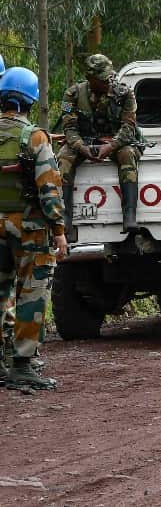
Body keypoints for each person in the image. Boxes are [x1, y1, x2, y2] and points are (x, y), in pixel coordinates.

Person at [0, 67, 67, 390]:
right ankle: (22, 364)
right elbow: (49, 188)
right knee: (31, 293)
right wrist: (59, 230)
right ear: (30, 101)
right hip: (29, 227)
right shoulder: (35, 137)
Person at [58, 53, 142, 232]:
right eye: (103, 78)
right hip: (84, 140)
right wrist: (82, 147)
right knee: (64, 157)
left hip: (115, 140)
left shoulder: (125, 93)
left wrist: (110, 146)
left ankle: (129, 216)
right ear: (90, 78)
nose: (108, 82)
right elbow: (70, 128)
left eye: (109, 76)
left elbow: (129, 127)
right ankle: (65, 220)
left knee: (127, 154)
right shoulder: (72, 94)